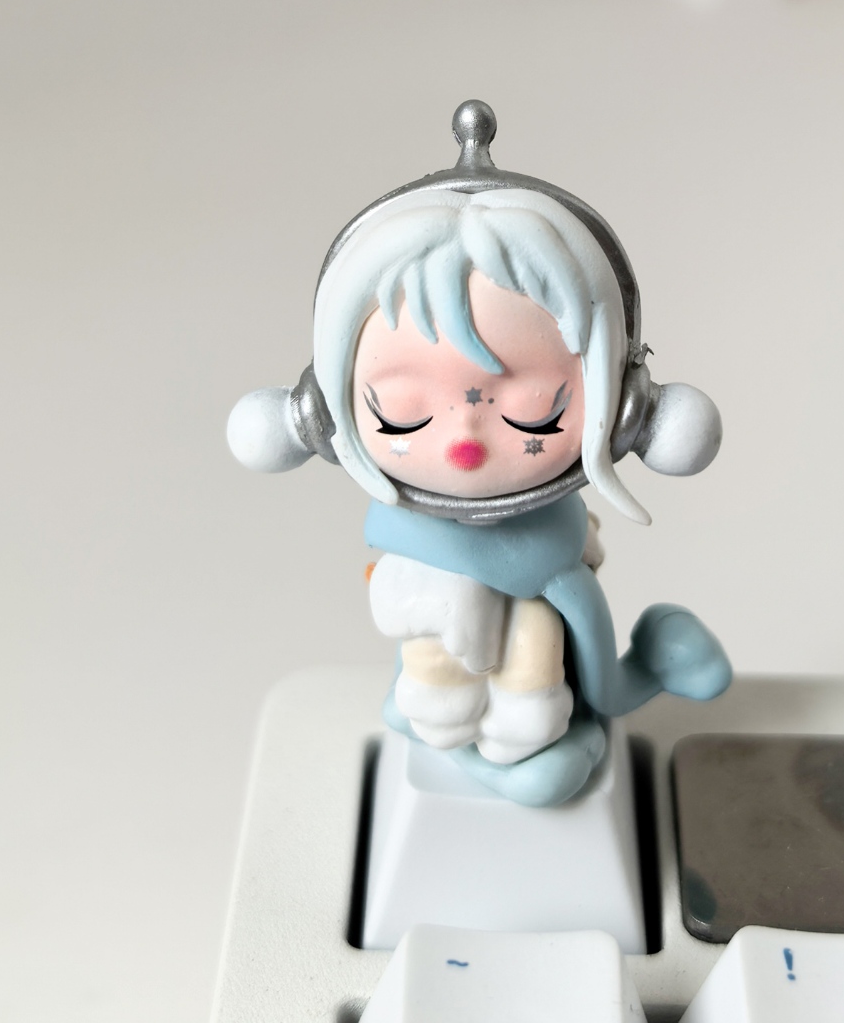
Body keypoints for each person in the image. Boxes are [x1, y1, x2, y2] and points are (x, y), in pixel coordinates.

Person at [228, 106, 731, 806]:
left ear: (624, 413)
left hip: (539, 660)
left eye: (534, 412)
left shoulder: (556, 533)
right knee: (486, 725)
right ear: (322, 411)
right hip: (444, 672)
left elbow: (586, 630)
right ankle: (490, 751)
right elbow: (392, 596)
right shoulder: (404, 545)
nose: (464, 440)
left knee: (537, 665)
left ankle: (532, 738)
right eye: (402, 413)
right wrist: (453, 596)